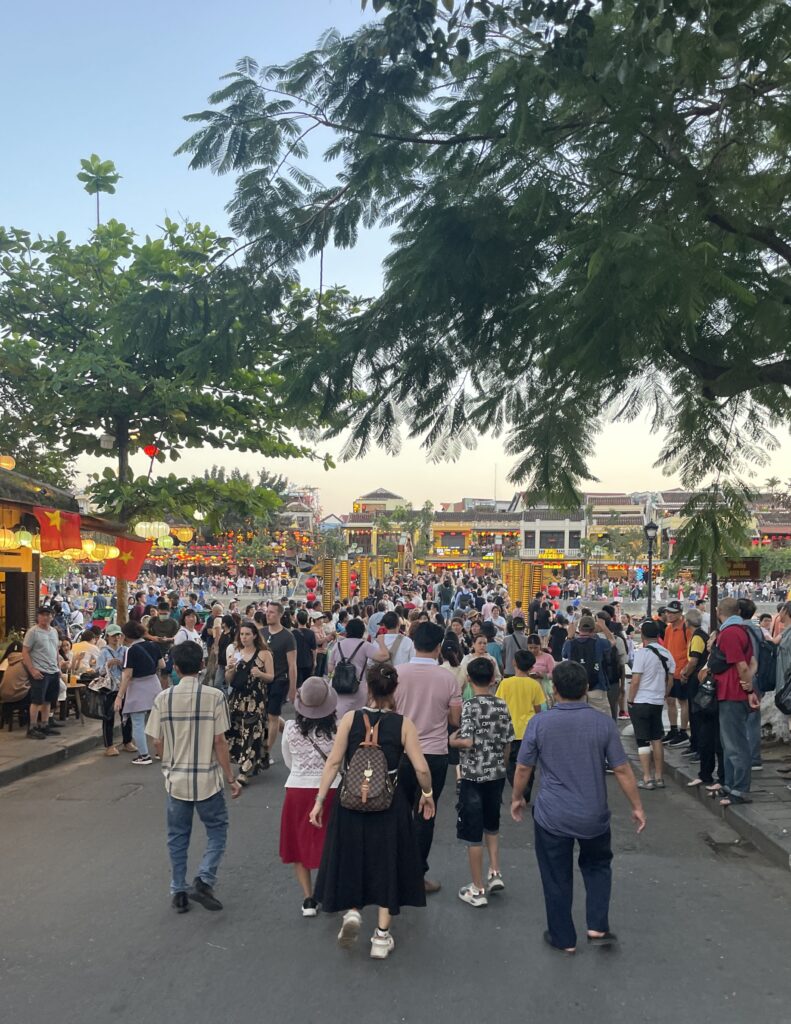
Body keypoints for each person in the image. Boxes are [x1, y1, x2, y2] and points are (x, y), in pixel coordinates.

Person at [511, 661, 646, 953]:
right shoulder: (603, 723)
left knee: (556, 874)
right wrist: (636, 806)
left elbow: (523, 768)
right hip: (594, 814)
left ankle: (564, 938)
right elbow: (622, 770)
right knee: (598, 867)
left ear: (554, 690)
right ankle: (597, 925)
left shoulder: (540, 723)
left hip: (553, 814)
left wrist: (517, 797)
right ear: (586, 689)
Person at [310, 664, 435, 960]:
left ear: (368, 687)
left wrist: (319, 800)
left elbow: (333, 763)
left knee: (354, 857)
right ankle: (381, 936)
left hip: (350, 802)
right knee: (386, 862)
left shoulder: (350, 719)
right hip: (388, 804)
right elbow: (420, 767)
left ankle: (352, 911)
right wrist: (427, 795)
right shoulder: (404, 724)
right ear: (395, 690)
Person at [146, 640, 241, 913]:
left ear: (174, 667)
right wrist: (231, 778)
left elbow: (157, 742)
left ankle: (178, 889)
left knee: (177, 836)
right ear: (201, 666)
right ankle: (204, 877)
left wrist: (168, 765)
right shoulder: (214, 696)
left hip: (176, 780)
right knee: (217, 831)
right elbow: (219, 742)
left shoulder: (163, 698)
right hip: (207, 779)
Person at [395, 621, 462, 893]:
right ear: (438, 648)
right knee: (425, 814)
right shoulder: (448, 678)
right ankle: (417, 874)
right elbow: (455, 719)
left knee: (396, 813)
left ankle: (393, 869)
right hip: (433, 754)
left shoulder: (397, 673)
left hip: (399, 752)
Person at [450, 656, 514, 907]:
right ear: (493, 680)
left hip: (472, 775)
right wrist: (502, 763)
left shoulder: (469, 706)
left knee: (472, 832)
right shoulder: (501, 705)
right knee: (492, 823)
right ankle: (495, 871)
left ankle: (476, 889)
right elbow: (508, 740)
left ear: (468, 679)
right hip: (496, 773)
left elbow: (466, 741)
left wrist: (451, 741)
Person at [279, 676, 339, 917]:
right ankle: (331, 892)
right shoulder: (337, 729)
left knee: (298, 845)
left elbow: (288, 760)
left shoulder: (291, 729)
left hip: (297, 789)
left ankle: (308, 899)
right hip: (332, 789)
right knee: (333, 844)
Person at [703, 597, 758, 807]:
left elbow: (742, 665)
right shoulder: (742, 630)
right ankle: (731, 785)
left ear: (718, 611)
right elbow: (752, 663)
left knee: (735, 744)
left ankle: (740, 789)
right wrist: (749, 687)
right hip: (734, 692)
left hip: (731, 692)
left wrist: (747, 686)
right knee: (729, 743)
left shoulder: (730, 633)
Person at [225, 620, 274, 785]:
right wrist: (230, 669)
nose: (244, 637)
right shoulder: (237, 653)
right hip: (237, 700)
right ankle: (252, 759)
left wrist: (260, 674)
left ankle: (244, 772)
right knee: (236, 733)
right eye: (242, 634)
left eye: (247, 634)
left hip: (255, 699)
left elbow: (271, 677)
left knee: (251, 734)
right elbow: (229, 680)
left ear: (254, 635)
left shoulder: (264, 654)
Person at [627, 621, 675, 790]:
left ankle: (647, 778)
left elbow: (635, 681)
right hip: (656, 702)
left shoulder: (642, 654)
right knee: (657, 738)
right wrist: (664, 694)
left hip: (640, 700)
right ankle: (659, 777)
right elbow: (670, 679)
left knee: (642, 740)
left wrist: (630, 700)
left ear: (643, 635)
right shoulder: (668, 654)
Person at [115, 622, 165, 765]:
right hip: (154, 685)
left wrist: (119, 696)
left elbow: (127, 675)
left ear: (126, 636)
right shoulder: (153, 645)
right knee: (157, 721)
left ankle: (144, 756)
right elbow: (162, 665)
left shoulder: (130, 650)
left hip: (137, 687)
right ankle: (160, 750)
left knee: (138, 723)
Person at [498, 649, 546, 790]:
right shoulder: (535, 685)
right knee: (528, 763)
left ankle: (516, 788)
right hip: (529, 731)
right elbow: (538, 708)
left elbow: (500, 706)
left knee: (511, 762)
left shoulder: (505, 683)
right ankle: (525, 792)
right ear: (531, 667)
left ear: (514, 663)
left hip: (510, 729)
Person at [328, 618, 390, 716]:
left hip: (337, 686)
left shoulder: (338, 645)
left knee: (337, 719)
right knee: (356, 719)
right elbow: (384, 656)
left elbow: (330, 668)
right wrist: (381, 642)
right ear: (362, 631)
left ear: (347, 631)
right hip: (357, 688)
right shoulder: (364, 645)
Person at [261, 602, 298, 763]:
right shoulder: (261, 632)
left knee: (272, 715)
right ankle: (293, 734)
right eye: (267, 612)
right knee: (268, 715)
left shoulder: (288, 636)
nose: (268, 615)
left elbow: (292, 665)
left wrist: (293, 688)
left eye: (272, 612)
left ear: (280, 615)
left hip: (280, 680)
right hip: (263, 678)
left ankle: (266, 753)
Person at [22, 606, 61, 739]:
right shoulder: (33, 632)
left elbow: (55, 650)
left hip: (53, 670)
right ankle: (32, 727)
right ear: (38, 617)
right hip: (40, 671)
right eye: (42, 615)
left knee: (48, 700)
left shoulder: (54, 632)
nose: (45, 617)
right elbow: (25, 652)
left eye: (48, 615)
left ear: (52, 616)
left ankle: (44, 725)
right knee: (37, 700)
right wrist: (32, 670)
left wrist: (58, 667)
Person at [561, 616, 612, 716]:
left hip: (576, 690)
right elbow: (612, 641)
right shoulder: (600, 643)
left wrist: (569, 636)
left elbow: (564, 654)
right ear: (594, 630)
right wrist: (603, 626)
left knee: (579, 720)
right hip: (597, 687)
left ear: (579, 629)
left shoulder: (570, 644)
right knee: (602, 720)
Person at [96, 624, 134, 756]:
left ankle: (127, 741)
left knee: (127, 715)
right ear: (107, 636)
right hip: (109, 688)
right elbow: (99, 672)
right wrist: (108, 664)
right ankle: (109, 745)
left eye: (118, 635)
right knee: (108, 717)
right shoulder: (103, 652)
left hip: (124, 686)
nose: (116, 638)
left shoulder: (125, 650)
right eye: (113, 636)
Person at [660, 599, 691, 746]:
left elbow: (691, 651)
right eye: (667, 612)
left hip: (683, 671)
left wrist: (687, 669)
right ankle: (673, 729)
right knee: (670, 700)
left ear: (680, 613)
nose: (669, 615)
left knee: (683, 702)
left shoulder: (687, 628)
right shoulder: (668, 629)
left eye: (672, 613)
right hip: (671, 671)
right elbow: (666, 650)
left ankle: (683, 731)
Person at [293, 608, 317, 686]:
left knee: (297, 684)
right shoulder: (311, 633)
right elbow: (314, 649)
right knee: (306, 684)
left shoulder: (292, 633)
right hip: (308, 661)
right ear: (307, 620)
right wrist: (314, 661)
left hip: (296, 662)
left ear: (297, 619)